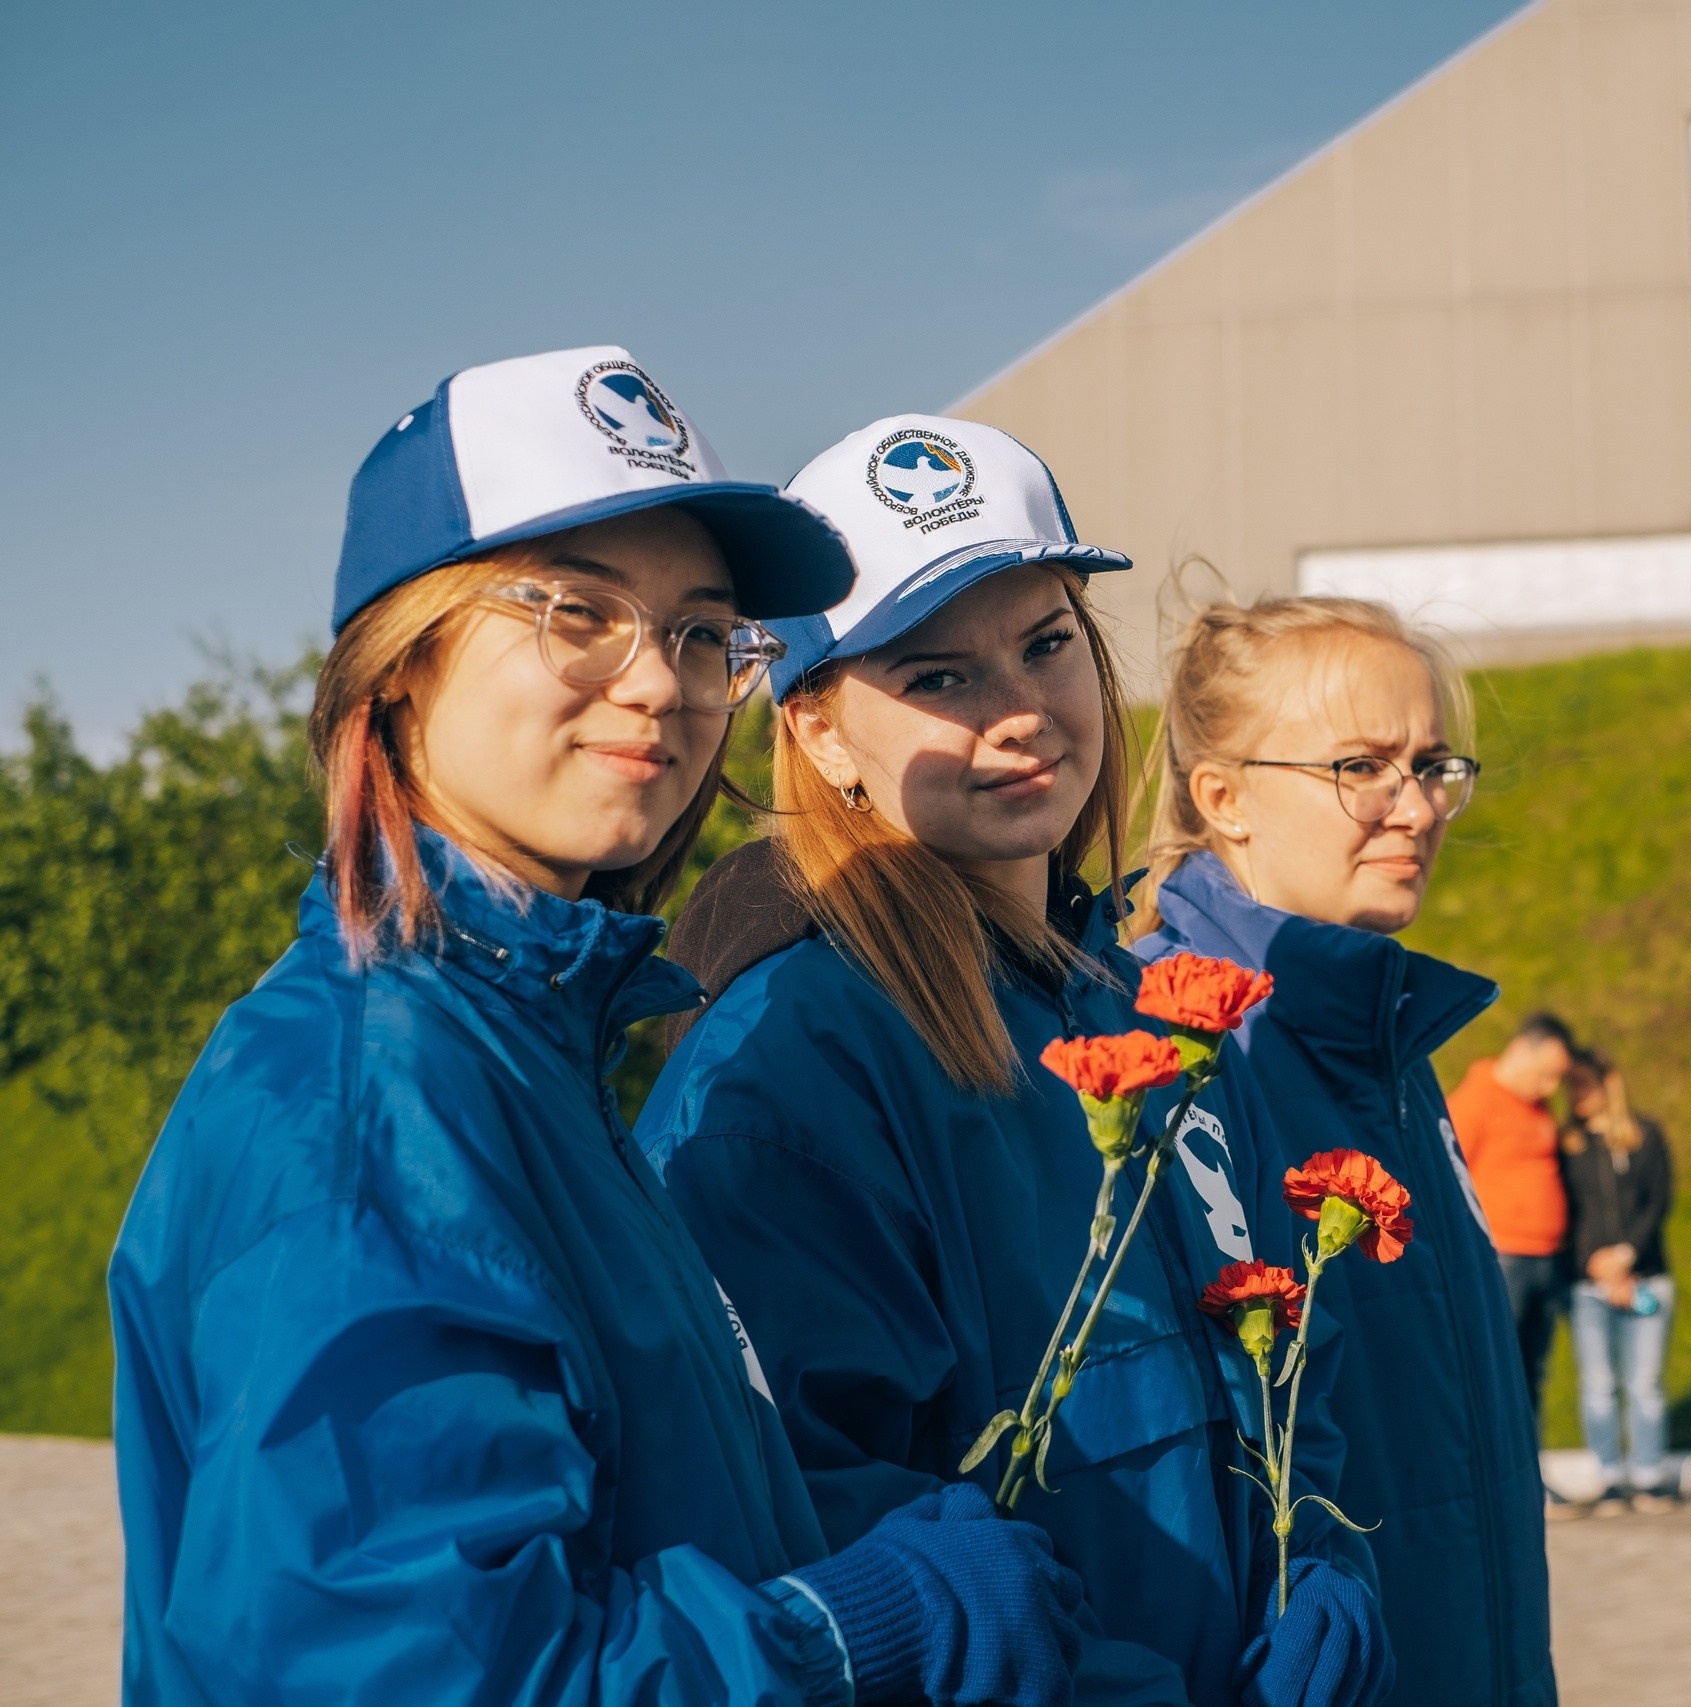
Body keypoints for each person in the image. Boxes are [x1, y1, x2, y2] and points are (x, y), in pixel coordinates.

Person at [110, 347, 1087, 1706]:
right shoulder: (366, 1100)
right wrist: (856, 1624)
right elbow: (412, 1679)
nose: (660, 683)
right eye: (579, 612)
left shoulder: (522, 1046)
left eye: (699, 632)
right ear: (403, 663)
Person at [637, 417, 1390, 1707]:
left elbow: (1272, 1363)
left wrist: (1322, 1559)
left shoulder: (1159, 1012)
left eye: (1046, 644)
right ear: (818, 733)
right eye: (938, 678)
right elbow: (811, 1520)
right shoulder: (785, 1070)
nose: (1023, 711)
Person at [1131, 595, 1558, 1707]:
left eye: (1430, 764)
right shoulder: (1182, 1048)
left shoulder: (1381, 1037)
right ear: (1222, 797)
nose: (1413, 807)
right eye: (1360, 766)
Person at [1557, 1048, 1677, 1516]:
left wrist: (1626, 1257)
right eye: (1572, 1087)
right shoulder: (1567, 1144)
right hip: (1588, 1286)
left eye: (1585, 1084)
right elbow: (1565, 1215)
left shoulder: (1645, 1136)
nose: (1578, 1095)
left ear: (1610, 1083)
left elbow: (1658, 1201)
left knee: (1645, 1382)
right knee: (1599, 1384)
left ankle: (1649, 1477)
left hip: (1647, 1277)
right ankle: (1610, 1477)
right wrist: (1594, 1265)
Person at [1446, 1013, 1578, 1413]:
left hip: (1546, 1256)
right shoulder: (1475, 1101)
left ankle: (1531, 1470)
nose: (1551, 1087)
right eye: (1545, 1074)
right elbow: (1448, 1176)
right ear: (1521, 1050)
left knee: (1531, 1371)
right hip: (1503, 1256)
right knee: (1500, 1369)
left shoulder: (1536, 1107)